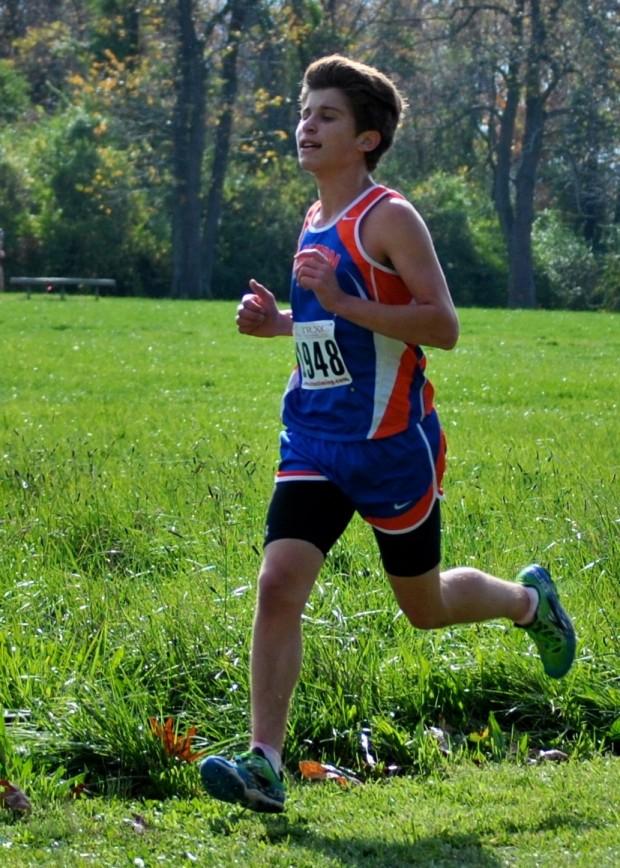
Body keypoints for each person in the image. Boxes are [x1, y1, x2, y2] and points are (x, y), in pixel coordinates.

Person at [200, 55, 576, 813]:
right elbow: (332, 329)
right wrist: (278, 323)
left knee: (424, 606)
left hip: (392, 446)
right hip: (311, 439)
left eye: (327, 115)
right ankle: (265, 762)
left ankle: (528, 604)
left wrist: (336, 294)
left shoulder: (390, 218)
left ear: (368, 138)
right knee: (278, 587)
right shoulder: (313, 216)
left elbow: (443, 326)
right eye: (305, 111)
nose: (307, 124)